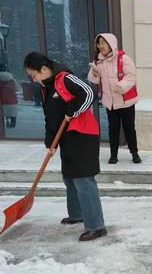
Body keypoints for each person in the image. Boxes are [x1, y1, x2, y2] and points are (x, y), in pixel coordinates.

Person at [24, 52, 107, 242]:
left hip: (83, 135)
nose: (33, 79)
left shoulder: (65, 78)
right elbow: (50, 118)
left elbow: (89, 92)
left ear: (43, 69)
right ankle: (77, 214)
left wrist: (73, 110)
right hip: (66, 137)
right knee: (69, 177)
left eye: (33, 74)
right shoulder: (46, 88)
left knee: (83, 179)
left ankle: (96, 226)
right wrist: (50, 142)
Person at [88, 33, 141, 164]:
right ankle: (113, 155)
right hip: (110, 103)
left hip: (125, 101)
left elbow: (131, 77)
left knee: (129, 128)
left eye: (103, 43)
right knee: (113, 129)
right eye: (99, 43)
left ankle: (134, 153)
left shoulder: (124, 59)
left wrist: (120, 86)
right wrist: (95, 72)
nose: (101, 46)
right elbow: (94, 80)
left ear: (111, 43)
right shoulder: (99, 61)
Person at [0, 63, 18, 128]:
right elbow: (17, 88)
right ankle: (12, 126)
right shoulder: (12, 79)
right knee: (13, 115)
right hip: (12, 100)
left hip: (2, 101)